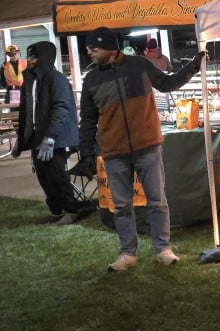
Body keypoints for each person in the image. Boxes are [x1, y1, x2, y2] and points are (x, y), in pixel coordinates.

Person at [78, 26, 206, 272]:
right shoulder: (91, 79)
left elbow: (168, 83)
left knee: (157, 201)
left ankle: (163, 248)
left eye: (93, 47)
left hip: (147, 146)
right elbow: (88, 119)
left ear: (109, 47)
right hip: (114, 152)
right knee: (122, 206)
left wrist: (192, 66)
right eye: (88, 48)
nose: (89, 52)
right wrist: (85, 154)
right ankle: (127, 253)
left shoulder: (139, 65)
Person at [14, 41, 89, 225]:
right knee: (43, 176)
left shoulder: (57, 79)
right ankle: (57, 210)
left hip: (57, 137)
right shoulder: (29, 80)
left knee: (57, 174)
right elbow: (26, 112)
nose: (29, 60)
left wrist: (50, 137)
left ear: (45, 58)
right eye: (28, 56)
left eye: (33, 57)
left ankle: (71, 210)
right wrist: (21, 139)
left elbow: (61, 108)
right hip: (37, 137)